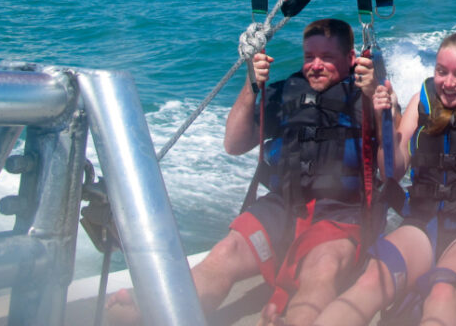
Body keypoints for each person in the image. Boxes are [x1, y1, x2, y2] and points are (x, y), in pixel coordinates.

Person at [107, 17, 381, 326]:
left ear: (351, 59)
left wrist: (378, 101)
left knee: (321, 270)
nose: (315, 65)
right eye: (309, 57)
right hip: (281, 208)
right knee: (225, 253)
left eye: (327, 58)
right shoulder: (286, 94)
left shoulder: (368, 98)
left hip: (339, 214)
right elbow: (234, 144)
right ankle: (163, 314)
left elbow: (392, 164)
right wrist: (251, 84)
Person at [311, 30, 456, 326]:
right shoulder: (421, 102)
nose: (448, 82)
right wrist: (385, 119)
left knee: (442, 294)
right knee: (368, 284)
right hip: (420, 223)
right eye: (441, 71)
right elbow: (392, 171)